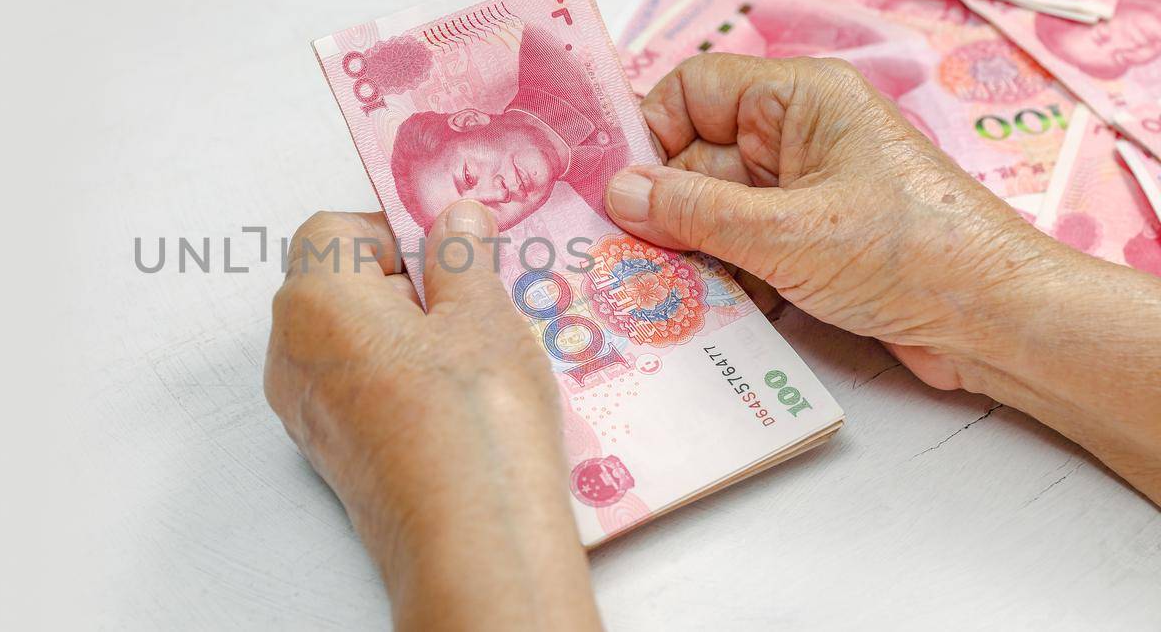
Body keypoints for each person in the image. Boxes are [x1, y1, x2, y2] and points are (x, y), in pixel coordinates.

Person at [264, 54, 1161, 630]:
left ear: (470, 128)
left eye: (469, 177)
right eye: (482, 205)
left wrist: (457, 511)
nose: (497, 197)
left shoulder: (553, 83)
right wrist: (980, 302)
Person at [390, 25, 631, 232]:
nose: (498, 195)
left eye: (468, 176)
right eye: (482, 215)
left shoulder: (547, 41)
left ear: (469, 121)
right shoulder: (620, 212)